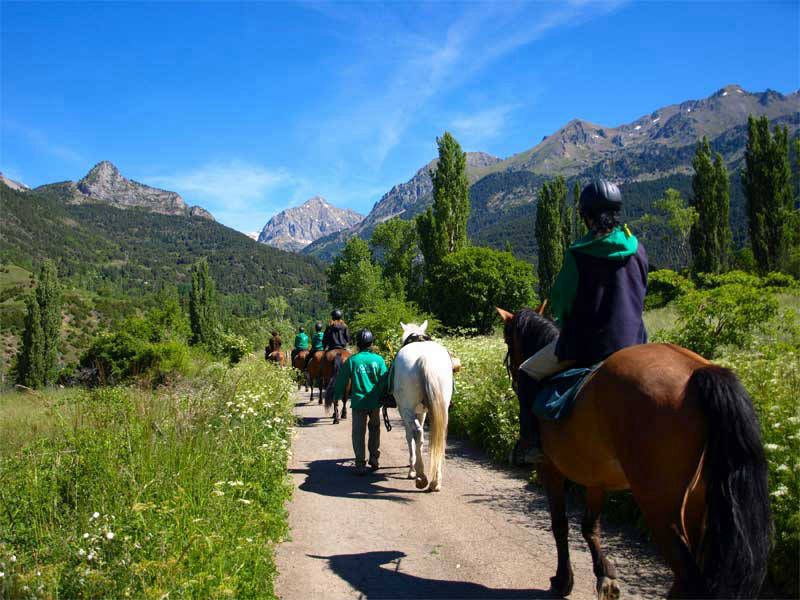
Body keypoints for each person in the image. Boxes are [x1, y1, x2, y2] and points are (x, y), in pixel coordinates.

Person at [512, 179, 648, 465]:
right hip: (636, 343)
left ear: (586, 217)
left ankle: (531, 443)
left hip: (588, 346)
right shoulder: (638, 250)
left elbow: (560, 300)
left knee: (526, 372)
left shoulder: (579, 253)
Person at [333, 328, 387, 475]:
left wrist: (336, 395)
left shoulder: (352, 360)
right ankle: (374, 458)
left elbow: (342, 381)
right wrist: (385, 397)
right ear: (371, 344)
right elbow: (384, 381)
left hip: (358, 403)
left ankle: (360, 463)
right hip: (375, 403)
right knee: (375, 429)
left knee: (358, 433)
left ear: (357, 344)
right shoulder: (379, 360)